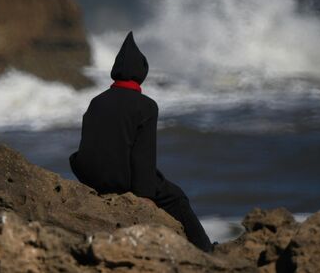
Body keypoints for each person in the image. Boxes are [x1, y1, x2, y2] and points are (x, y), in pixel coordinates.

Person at [69, 31, 213, 252]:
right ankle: (206, 251)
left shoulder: (96, 101)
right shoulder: (146, 106)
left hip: (90, 177)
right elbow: (142, 156)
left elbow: (91, 144)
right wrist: (144, 197)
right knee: (177, 197)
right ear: (141, 71)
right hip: (120, 181)